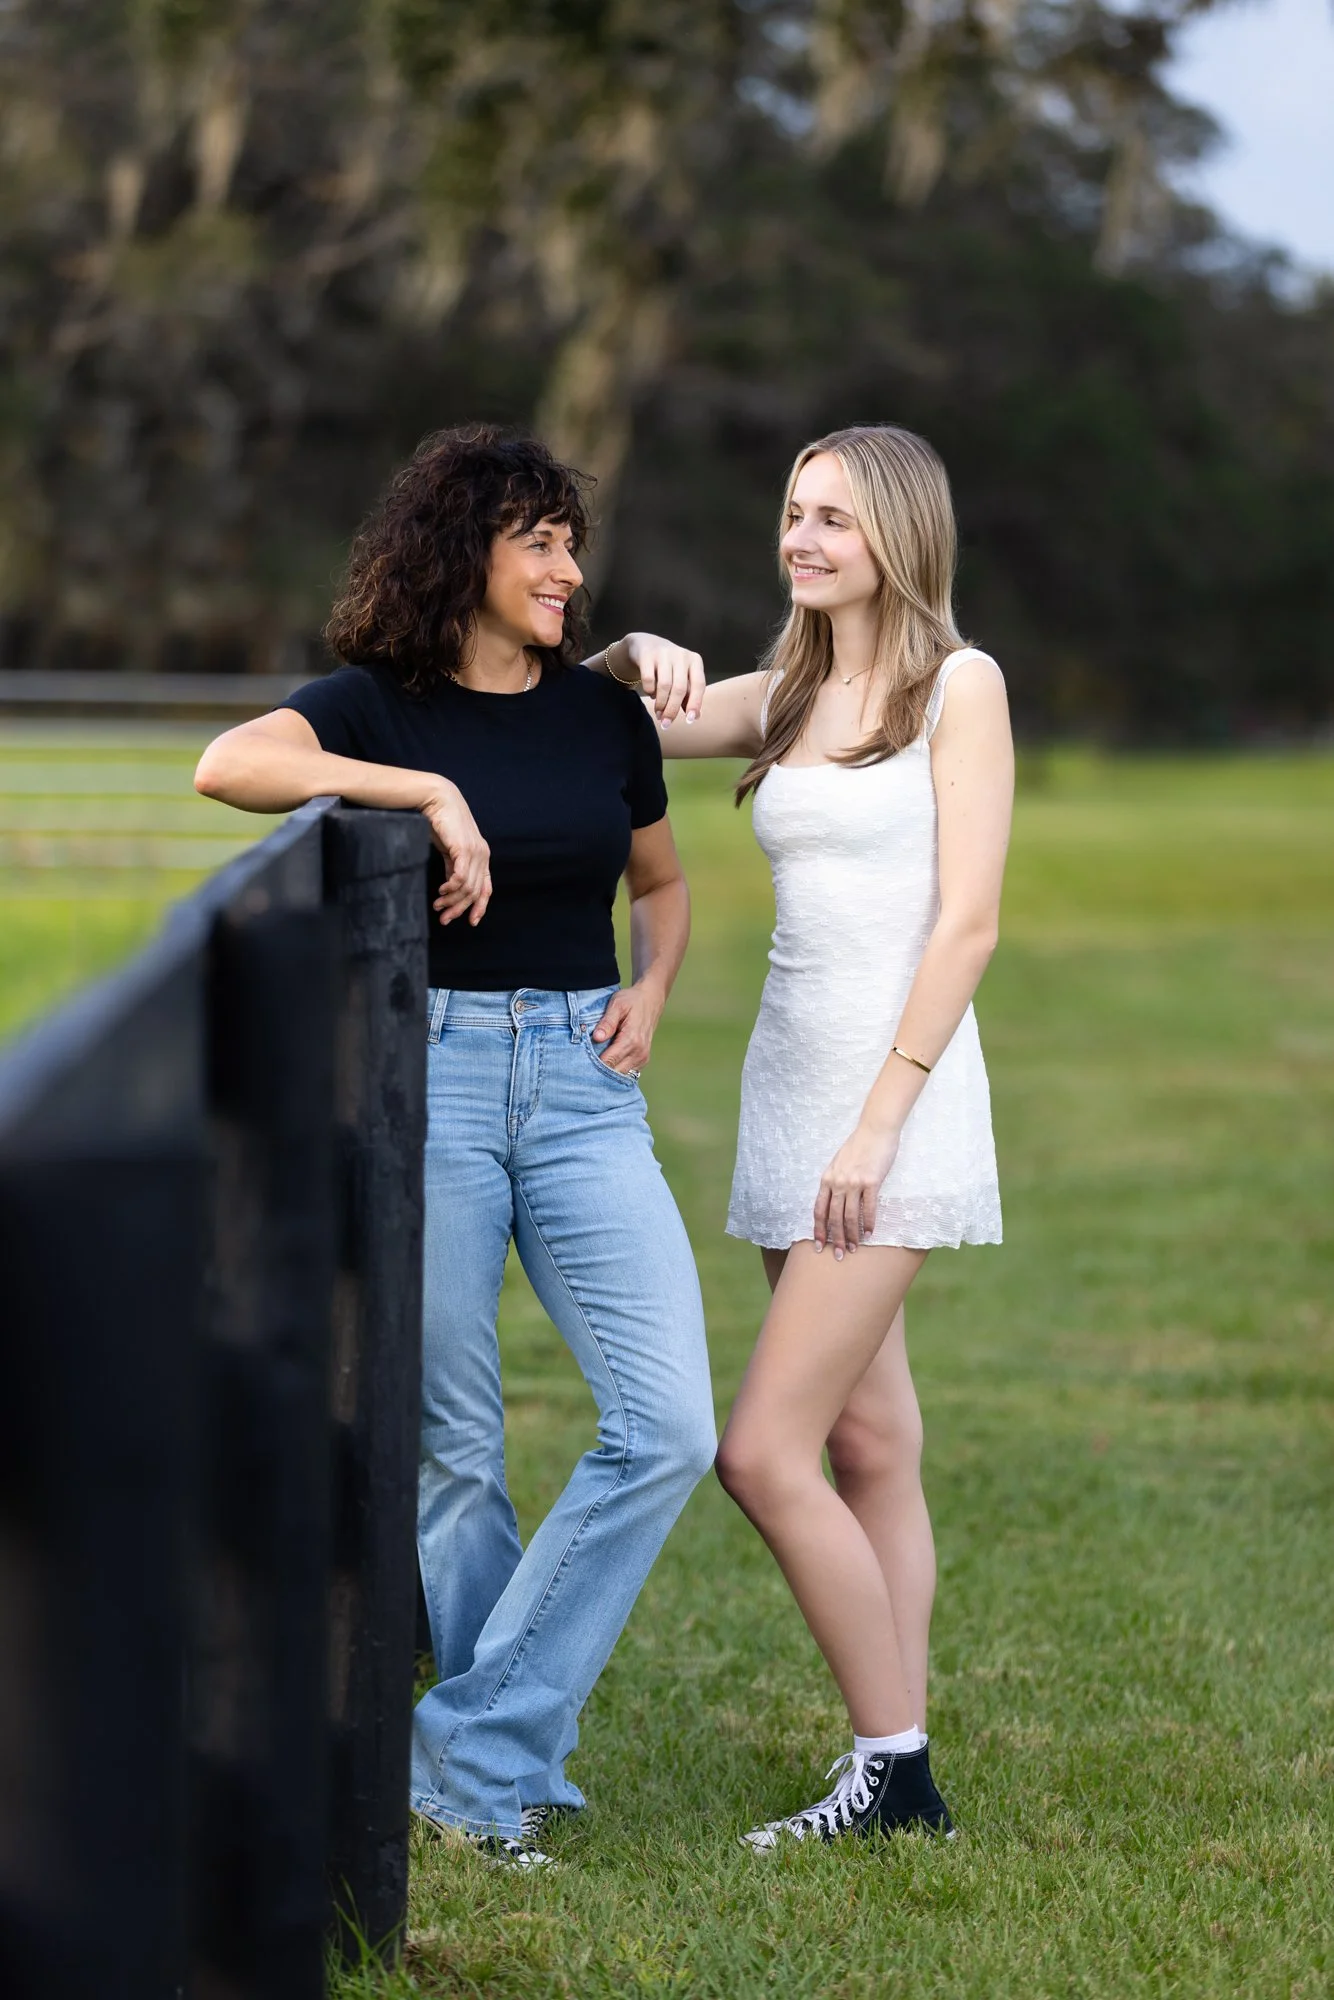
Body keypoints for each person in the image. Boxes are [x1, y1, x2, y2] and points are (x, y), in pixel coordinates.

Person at [194, 424, 717, 1867]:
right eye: (537, 539)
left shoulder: (601, 716)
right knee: (454, 1449)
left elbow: (660, 886)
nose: (567, 566)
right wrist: (419, 790)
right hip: (429, 1076)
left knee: (669, 1423)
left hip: (582, 1078)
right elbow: (227, 767)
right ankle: (493, 1771)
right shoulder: (371, 705)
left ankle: (475, 1743)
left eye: (571, 540)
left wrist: (656, 986)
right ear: (460, 553)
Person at [593, 423, 1013, 1846]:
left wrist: (876, 1127)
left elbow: (966, 927)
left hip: (887, 1109)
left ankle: (891, 1775)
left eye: (832, 517)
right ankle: (893, 1742)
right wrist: (625, 651)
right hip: (787, 1093)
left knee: (761, 1451)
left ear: (897, 532)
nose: (802, 538)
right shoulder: (781, 696)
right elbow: (614, 720)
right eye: (790, 512)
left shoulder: (960, 687)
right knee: (868, 1444)